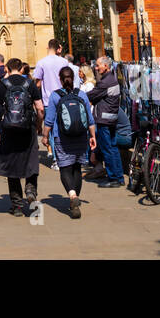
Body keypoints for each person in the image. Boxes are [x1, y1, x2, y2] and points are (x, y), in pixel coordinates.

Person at [0, 58, 44, 216]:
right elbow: (40, 108)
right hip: (27, 128)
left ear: (7, 68)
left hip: (8, 129)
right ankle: (30, 189)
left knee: (12, 164)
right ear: (21, 68)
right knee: (31, 159)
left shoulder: (2, 85)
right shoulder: (29, 83)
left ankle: (17, 206)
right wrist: (38, 125)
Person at [44, 65, 96, 218]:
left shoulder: (55, 96)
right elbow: (90, 118)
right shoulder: (81, 94)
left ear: (60, 79)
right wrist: (93, 136)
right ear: (73, 79)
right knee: (77, 169)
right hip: (80, 137)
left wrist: (45, 136)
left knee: (65, 168)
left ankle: (72, 195)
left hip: (62, 138)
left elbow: (49, 120)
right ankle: (75, 199)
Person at [32, 38, 77, 170]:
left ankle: (57, 160)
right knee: (65, 127)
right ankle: (67, 156)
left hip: (48, 100)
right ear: (58, 48)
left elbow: (38, 83)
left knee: (52, 130)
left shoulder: (41, 62)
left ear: (48, 47)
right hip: (64, 97)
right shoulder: (64, 61)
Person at [87, 55, 124, 187]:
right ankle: (119, 177)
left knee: (107, 148)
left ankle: (113, 178)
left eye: (98, 65)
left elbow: (91, 95)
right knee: (113, 148)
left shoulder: (105, 82)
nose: (96, 68)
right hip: (111, 118)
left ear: (106, 66)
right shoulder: (112, 79)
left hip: (104, 119)